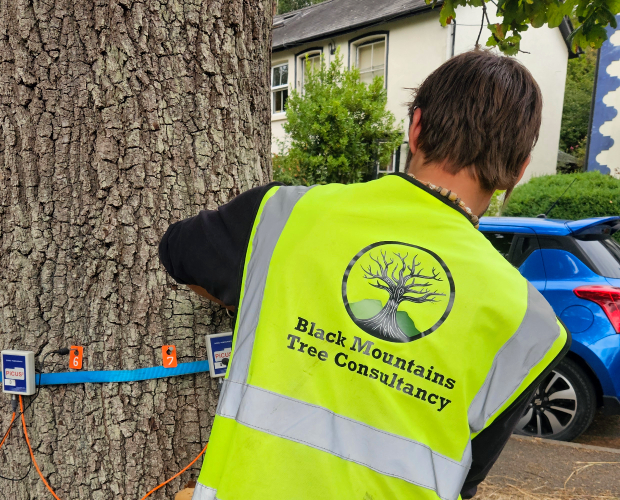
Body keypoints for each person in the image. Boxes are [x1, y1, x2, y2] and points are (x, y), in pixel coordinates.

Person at [159, 49, 570, 500]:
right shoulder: (531, 324)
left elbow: (179, 251)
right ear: (518, 171)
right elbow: (465, 476)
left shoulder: (286, 215)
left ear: (416, 128)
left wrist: (265, 298)